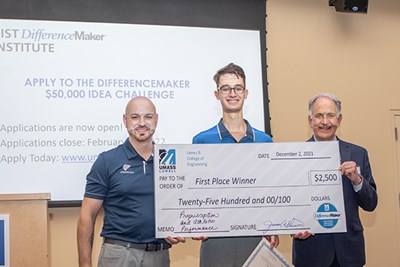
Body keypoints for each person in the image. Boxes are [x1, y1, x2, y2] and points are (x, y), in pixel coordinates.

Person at [77, 96, 185, 267]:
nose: (142, 123)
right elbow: (87, 217)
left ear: (156, 120)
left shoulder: (169, 160)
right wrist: (84, 264)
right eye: (135, 117)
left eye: (148, 117)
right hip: (119, 255)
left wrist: (176, 228)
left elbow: (177, 206)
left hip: (159, 255)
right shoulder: (107, 161)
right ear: (125, 120)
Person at [192, 63, 279, 267]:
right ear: (217, 94)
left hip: (255, 236)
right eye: (226, 88)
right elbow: (195, 191)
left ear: (246, 92)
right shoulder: (201, 140)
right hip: (215, 239)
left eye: (238, 88)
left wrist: (274, 224)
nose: (232, 93)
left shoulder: (264, 140)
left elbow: (270, 188)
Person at [292, 92, 378, 267]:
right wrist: (293, 228)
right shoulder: (295, 156)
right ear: (310, 121)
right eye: (319, 116)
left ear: (339, 119)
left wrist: (357, 179)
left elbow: (371, 204)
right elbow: (289, 203)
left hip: (349, 253)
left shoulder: (358, 153)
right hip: (310, 252)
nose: (325, 122)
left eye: (330, 115)